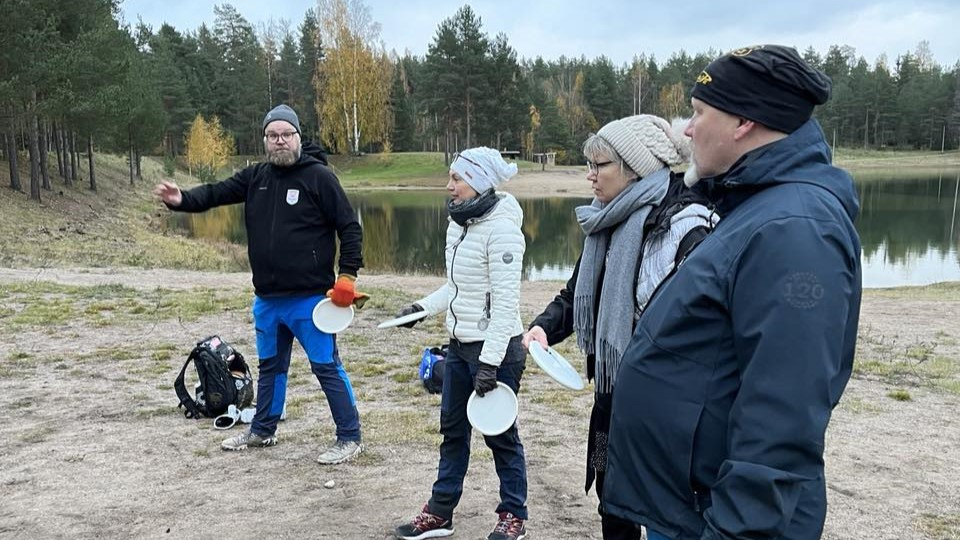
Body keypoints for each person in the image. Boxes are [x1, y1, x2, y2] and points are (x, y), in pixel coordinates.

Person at [603, 45, 863, 540]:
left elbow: (783, 415)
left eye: (699, 113)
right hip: (689, 504)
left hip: (716, 518)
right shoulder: (758, 207)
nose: (687, 128)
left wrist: (733, 531)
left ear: (743, 122)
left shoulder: (793, 229)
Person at [521, 114, 716, 540]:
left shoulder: (686, 225)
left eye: (600, 165)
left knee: (666, 512)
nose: (589, 176)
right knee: (613, 500)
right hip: (612, 397)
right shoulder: (604, 221)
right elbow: (578, 294)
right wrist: (543, 328)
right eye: (588, 164)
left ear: (635, 166)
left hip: (664, 409)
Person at [154, 104, 369, 465]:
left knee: (326, 367)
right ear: (265, 140)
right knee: (270, 366)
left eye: (286, 135)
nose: (279, 141)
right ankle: (263, 430)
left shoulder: (320, 177)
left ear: (298, 137)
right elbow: (216, 193)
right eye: (272, 136)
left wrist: (347, 276)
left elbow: (350, 228)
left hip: (310, 299)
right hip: (268, 299)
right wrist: (181, 200)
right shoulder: (256, 177)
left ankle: (350, 437)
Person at [393, 147, 529, 540]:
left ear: (481, 181)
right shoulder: (459, 223)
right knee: (452, 432)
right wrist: (421, 308)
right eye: (450, 177)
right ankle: (440, 513)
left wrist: (489, 364)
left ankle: (513, 515)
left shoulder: (503, 229)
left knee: (501, 436)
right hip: (458, 346)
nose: (449, 186)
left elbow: (505, 307)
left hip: (497, 352)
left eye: (458, 178)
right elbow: (456, 288)